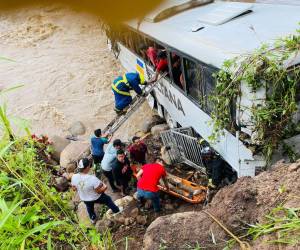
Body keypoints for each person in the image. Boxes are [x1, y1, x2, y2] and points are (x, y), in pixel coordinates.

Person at [71, 158, 120, 224]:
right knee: (108, 200)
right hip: (96, 197)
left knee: (89, 208)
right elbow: (99, 191)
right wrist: (105, 187)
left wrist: (82, 187)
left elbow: (74, 189)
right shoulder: (92, 179)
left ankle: (93, 218)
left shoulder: (74, 177)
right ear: (88, 167)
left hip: (85, 198)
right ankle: (117, 211)